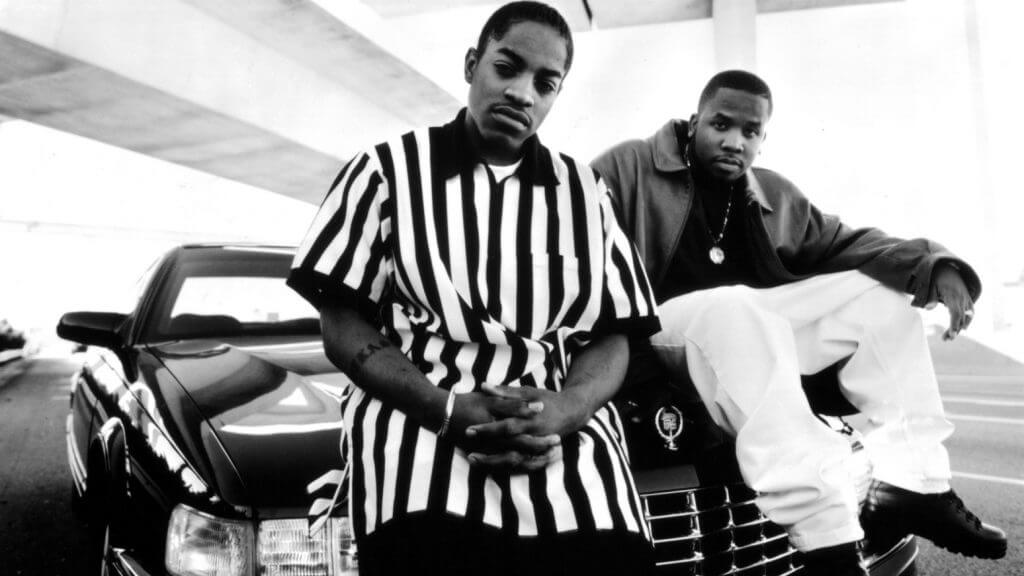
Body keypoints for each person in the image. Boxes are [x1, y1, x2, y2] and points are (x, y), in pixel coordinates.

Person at [288, 3, 660, 575]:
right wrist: (444, 409)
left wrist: (567, 409)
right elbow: (342, 326)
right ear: (472, 65)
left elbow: (615, 333)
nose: (522, 93)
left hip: (560, 429)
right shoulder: (385, 172)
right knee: (428, 547)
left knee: (611, 555)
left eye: (545, 83)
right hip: (419, 419)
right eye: (506, 68)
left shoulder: (588, 193)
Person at [591, 70, 1007, 575]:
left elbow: (848, 244)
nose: (734, 141)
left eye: (750, 132)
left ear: (763, 140)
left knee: (879, 296)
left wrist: (937, 265)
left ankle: (914, 483)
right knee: (733, 305)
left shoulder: (773, 196)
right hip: (655, 335)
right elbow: (578, 252)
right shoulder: (629, 166)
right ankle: (827, 538)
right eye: (721, 125)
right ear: (696, 120)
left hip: (746, 331)